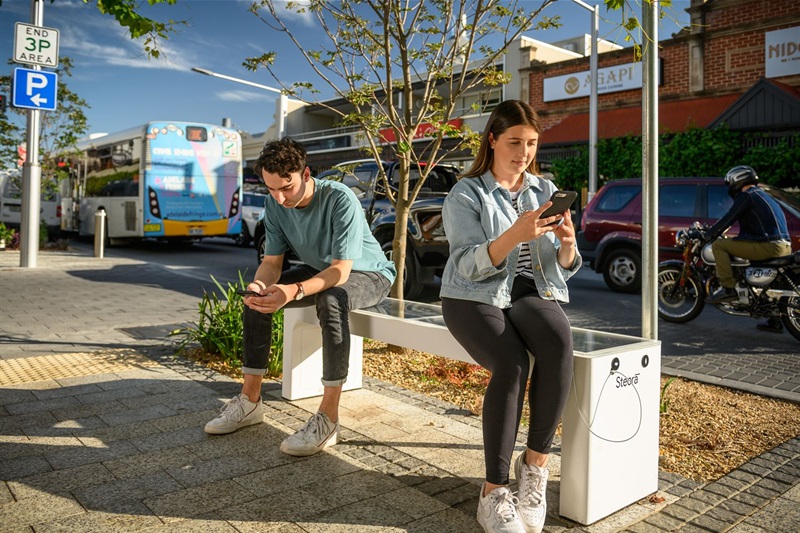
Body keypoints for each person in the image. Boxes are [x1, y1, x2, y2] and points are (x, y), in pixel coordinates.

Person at [439, 100, 581, 533]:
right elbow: (466, 263)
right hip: (471, 293)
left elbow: (562, 265)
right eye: (515, 142)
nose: (524, 152)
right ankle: (493, 491)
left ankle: (535, 468)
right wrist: (513, 235)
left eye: (532, 143)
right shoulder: (466, 193)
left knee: (558, 343)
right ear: (493, 140)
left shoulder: (544, 189)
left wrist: (568, 244)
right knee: (513, 363)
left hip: (527, 290)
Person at [204, 137, 396, 456]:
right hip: (320, 269)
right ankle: (250, 402)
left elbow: (340, 272)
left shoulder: (339, 199)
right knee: (258, 298)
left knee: (331, 300)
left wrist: (293, 290)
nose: (280, 198)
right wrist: (260, 288)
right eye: (271, 189)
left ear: (306, 174)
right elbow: (271, 263)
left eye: (286, 188)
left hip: (368, 274)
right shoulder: (276, 204)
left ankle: (328, 418)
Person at [704, 166, 792, 333]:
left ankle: (728, 289)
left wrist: (709, 235)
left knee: (719, 245)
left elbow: (729, 218)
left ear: (737, 181)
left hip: (769, 246)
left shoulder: (746, 196)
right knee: (769, 282)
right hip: (783, 246)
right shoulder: (764, 195)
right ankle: (774, 318)